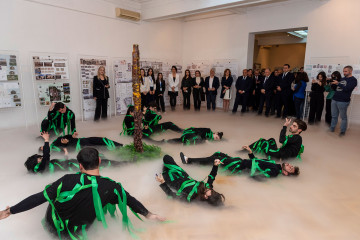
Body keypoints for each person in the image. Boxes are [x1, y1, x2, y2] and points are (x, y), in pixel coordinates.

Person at [1, 148, 165, 239]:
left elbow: (38, 198)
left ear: (79, 165)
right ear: (100, 161)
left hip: (53, 230)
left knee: (51, 191)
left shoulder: (66, 180)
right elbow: (130, 201)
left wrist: (10, 211)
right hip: (80, 233)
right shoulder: (112, 186)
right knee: (106, 199)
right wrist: (150, 215)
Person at [26, 132, 126, 173]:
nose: (41, 157)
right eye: (39, 158)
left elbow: (59, 162)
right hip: (77, 162)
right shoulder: (41, 167)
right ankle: (125, 163)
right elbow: (48, 155)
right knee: (102, 161)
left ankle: (121, 152)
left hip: (76, 156)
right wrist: (47, 140)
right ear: (35, 163)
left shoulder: (44, 165)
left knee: (101, 142)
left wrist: (70, 137)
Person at [180, 146, 300, 178]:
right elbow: (256, 162)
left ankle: (189, 161)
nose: (289, 165)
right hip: (241, 161)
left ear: (285, 173)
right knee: (218, 155)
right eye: (290, 165)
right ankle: (204, 163)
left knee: (215, 159)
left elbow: (257, 175)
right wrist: (250, 152)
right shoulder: (275, 164)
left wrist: (242, 172)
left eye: (290, 168)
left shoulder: (274, 171)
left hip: (239, 166)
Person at [155, 155, 225, 206]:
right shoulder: (208, 188)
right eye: (212, 190)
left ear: (206, 197)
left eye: (209, 192)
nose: (209, 189)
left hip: (172, 180)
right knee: (167, 157)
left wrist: (162, 182)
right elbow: (212, 177)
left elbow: (171, 195)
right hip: (182, 174)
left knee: (164, 165)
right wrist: (215, 165)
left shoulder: (191, 198)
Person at [330, 66, 358, 136]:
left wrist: (338, 83)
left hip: (343, 101)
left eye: (346, 71)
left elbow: (347, 89)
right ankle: (332, 128)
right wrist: (332, 83)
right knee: (334, 116)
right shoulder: (342, 78)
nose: (344, 72)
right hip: (335, 99)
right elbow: (336, 88)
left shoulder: (353, 80)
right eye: (343, 71)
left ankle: (342, 131)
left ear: (350, 71)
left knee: (343, 117)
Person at [48, 132, 123, 153]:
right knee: (99, 149)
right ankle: (119, 151)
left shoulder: (55, 141)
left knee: (102, 140)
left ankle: (121, 146)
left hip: (82, 140)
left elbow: (65, 138)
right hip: (81, 146)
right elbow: (64, 150)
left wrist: (72, 136)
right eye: (42, 148)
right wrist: (64, 143)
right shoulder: (54, 150)